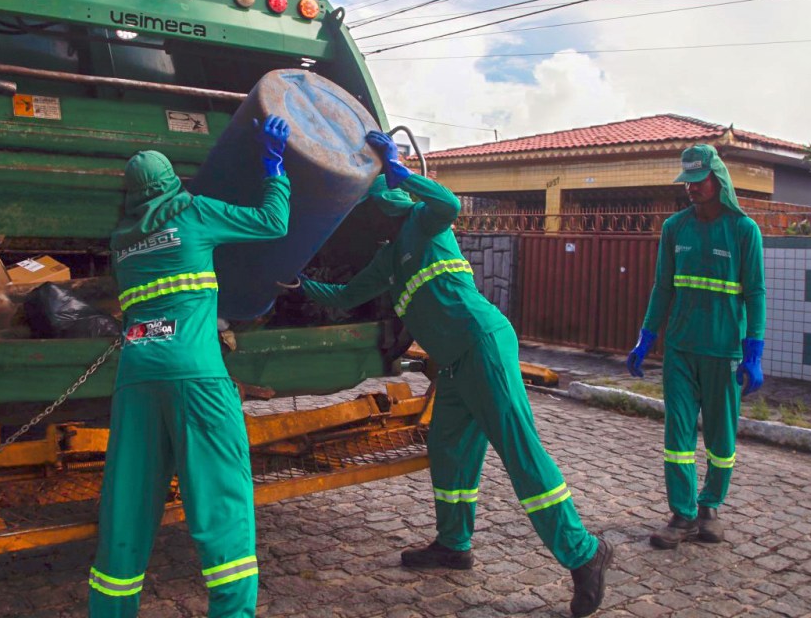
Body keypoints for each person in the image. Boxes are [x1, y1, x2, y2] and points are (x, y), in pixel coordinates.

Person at [290, 130, 613, 618]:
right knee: (448, 451)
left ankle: (584, 552)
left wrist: (402, 172)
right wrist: (297, 283)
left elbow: (448, 203)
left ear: (393, 203)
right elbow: (345, 295)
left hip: (482, 344)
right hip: (456, 364)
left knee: (520, 451)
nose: (377, 217)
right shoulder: (387, 259)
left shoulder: (427, 222)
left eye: (380, 208)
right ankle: (453, 545)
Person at [89, 116, 292, 618]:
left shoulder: (121, 241)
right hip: (196, 377)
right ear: (170, 182)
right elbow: (274, 222)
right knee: (221, 502)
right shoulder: (195, 213)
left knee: (127, 506)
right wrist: (275, 167)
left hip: (136, 379)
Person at [627, 144, 766, 549]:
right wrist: (645, 337)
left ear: (718, 180)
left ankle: (710, 507)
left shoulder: (744, 231)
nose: (690, 188)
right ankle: (683, 514)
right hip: (681, 352)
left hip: (723, 353)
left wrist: (753, 352)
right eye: (686, 181)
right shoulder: (675, 228)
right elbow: (662, 287)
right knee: (678, 435)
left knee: (721, 439)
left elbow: (755, 293)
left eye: (698, 180)